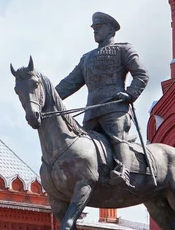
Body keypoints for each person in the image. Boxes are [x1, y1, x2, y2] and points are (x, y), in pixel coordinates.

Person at [56, 12, 149, 186]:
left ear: (111, 30)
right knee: (78, 144)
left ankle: (124, 172)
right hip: (91, 112)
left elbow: (141, 74)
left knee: (117, 138)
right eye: (94, 28)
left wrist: (130, 94)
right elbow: (70, 83)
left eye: (99, 27)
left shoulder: (124, 49)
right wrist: (49, 97)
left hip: (115, 109)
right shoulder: (87, 58)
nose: (95, 31)